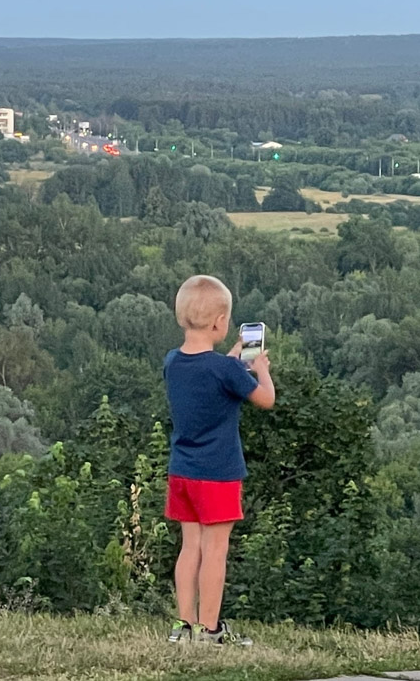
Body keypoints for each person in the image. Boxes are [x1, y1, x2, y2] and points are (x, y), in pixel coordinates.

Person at [163, 274, 275, 646]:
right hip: (219, 474)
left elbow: (209, 373)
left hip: (182, 471)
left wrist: (231, 361)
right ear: (220, 323)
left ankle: (184, 627)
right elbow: (264, 399)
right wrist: (261, 370)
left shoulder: (173, 362)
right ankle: (210, 630)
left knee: (189, 547)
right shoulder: (226, 370)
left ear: (182, 317)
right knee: (216, 551)